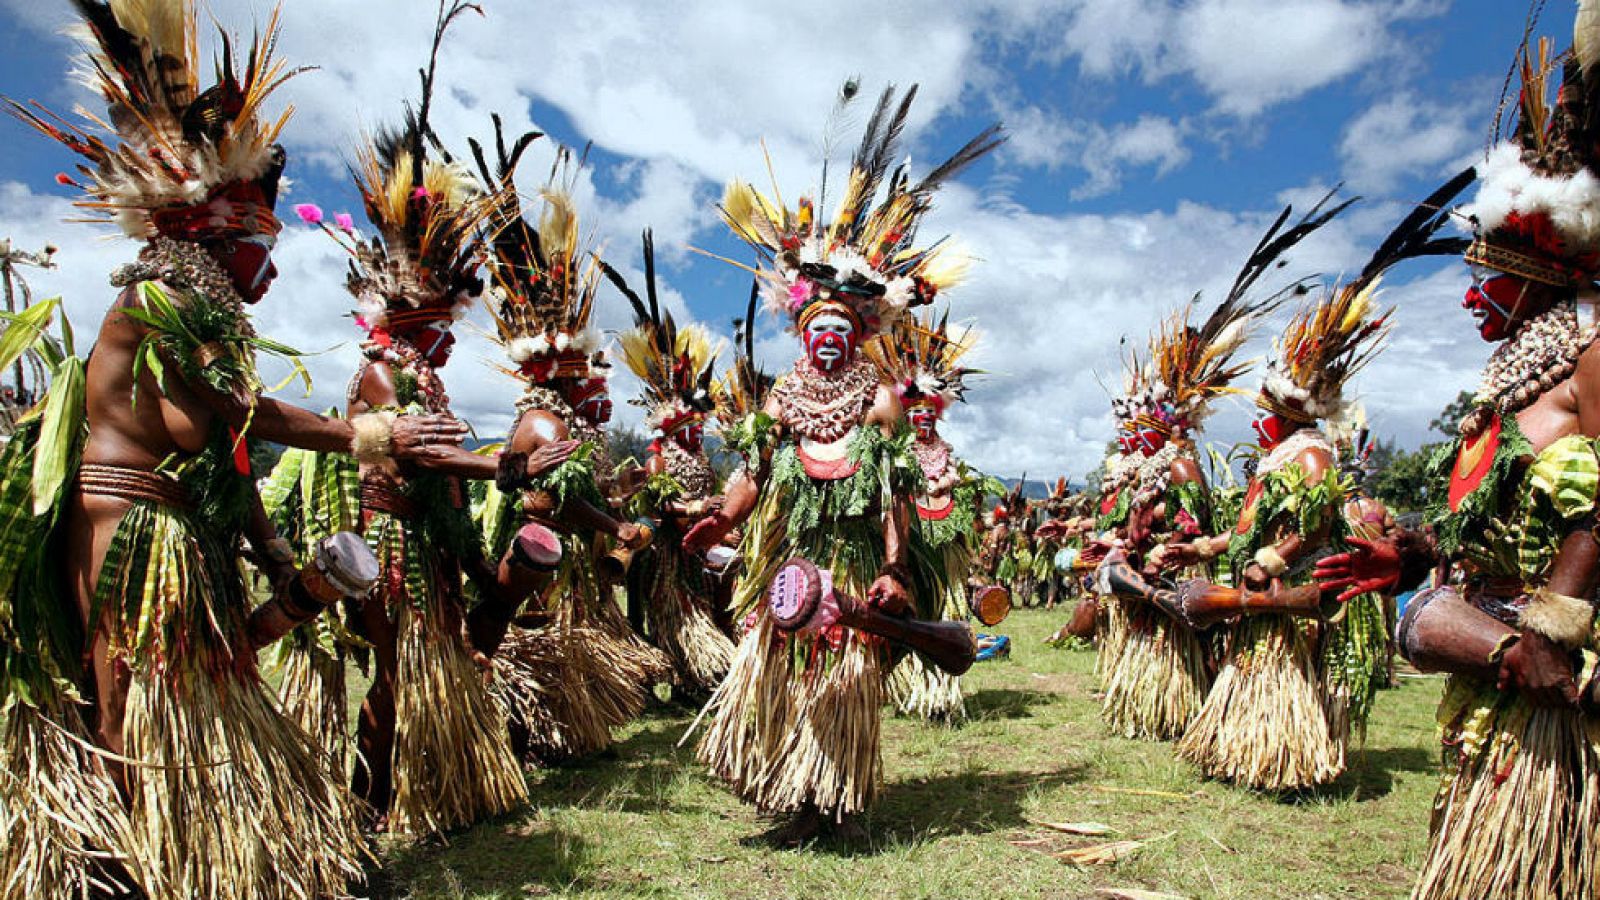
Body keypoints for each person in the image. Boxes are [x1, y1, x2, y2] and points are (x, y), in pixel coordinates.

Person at [0, 2, 477, 894]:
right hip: (127, 530)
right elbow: (243, 414)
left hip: (186, 529)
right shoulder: (157, 303)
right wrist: (374, 434)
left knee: (215, 678)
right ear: (220, 232)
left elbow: (224, 448)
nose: (275, 263)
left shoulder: (207, 317)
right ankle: (118, 867)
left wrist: (271, 548)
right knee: (128, 706)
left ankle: (241, 856)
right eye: (266, 241)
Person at [1316, 10, 1600, 894]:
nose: (1476, 291)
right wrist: (1414, 550)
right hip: (1494, 653)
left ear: (1545, 258)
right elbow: (1494, 509)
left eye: (1491, 273)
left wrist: (1554, 628)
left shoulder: (1590, 347)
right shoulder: (1513, 374)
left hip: (1558, 665)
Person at [684, 83, 1003, 844]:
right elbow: (756, 473)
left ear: (858, 335)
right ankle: (796, 794)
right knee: (786, 669)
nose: (828, 340)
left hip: (858, 555)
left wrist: (895, 567)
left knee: (849, 673)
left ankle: (839, 803)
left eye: (841, 329)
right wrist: (720, 520)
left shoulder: (880, 400)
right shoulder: (780, 399)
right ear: (802, 333)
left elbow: (895, 490)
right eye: (817, 327)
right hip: (794, 556)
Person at [467, 134, 659, 764]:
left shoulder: (567, 425)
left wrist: (618, 497)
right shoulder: (547, 422)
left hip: (562, 560)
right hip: (539, 559)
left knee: (556, 643)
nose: (598, 382)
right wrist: (616, 523)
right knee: (535, 639)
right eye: (589, 374)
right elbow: (568, 503)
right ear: (559, 371)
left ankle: (556, 735)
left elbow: (585, 490)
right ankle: (525, 739)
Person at [603, 232, 738, 702]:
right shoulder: (659, 455)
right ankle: (678, 678)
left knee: (697, 607)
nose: (699, 432)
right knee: (673, 616)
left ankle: (689, 683)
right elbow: (659, 502)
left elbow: (713, 494)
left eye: (701, 426)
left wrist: (719, 519)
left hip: (694, 554)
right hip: (663, 554)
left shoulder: (701, 456)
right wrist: (699, 505)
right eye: (691, 426)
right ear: (673, 423)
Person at [867, 309, 1001, 723]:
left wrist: (951, 489)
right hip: (909, 545)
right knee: (912, 607)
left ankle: (941, 692)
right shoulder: (894, 448)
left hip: (944, 547)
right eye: (916, 413)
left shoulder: (948, 456)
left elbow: (959, 498)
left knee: (946, 604)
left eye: (930, 413)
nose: (923, 419)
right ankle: (907, 685)